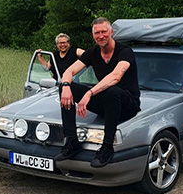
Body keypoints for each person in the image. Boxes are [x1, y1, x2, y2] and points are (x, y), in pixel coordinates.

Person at [55, 17, 141, 168]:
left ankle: (107, 147)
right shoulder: (92, 52)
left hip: (128, 105)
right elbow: (70, 70)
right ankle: (72, 141)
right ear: (93, 35)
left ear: (111, 32)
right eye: (97, 33)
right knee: (65, 87)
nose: (100, 36)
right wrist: (66, 86)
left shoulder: (125, 51)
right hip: (105, 104)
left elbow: (115, 77)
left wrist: (89, 93)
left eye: (104, 32)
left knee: (112, 91)